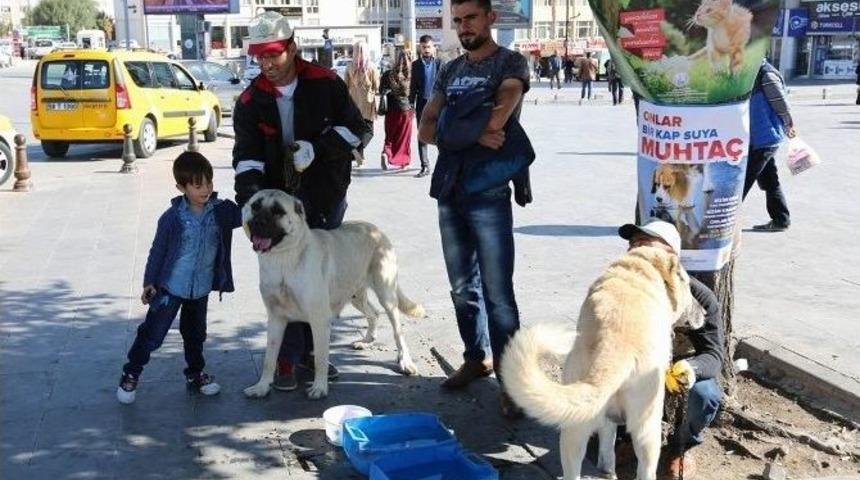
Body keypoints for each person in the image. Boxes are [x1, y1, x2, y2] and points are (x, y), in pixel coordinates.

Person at [232, 11, 372, 392]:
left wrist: (319, 148)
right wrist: (251, 203)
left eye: (273, 55)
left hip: (325, 193)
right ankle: (287, 361)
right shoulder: (249, 101)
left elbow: (359, 129)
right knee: (281, 279)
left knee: (315, 281)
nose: (266, 64)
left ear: (292, 48)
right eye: (258, 56)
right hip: (278, 207)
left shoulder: (326, 83)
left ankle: (315, 355)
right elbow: (246, 157)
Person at [418, 0, 532, 418]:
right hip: (450, 189)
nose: (463, 27)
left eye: (470, 18)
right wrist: (469, 128)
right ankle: (475, 356)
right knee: (462, 288)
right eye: (457, 21)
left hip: (489, 191)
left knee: (498, 294)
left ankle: (513, 379)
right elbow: (425, 127)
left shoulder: (511, 63)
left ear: (489, 18)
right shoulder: (450, 69)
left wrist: (456, 124)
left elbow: (498, 121)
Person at [116, 151, 243, 405]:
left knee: (195, 334)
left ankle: (195, 374)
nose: (205, 189)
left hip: (201, 289)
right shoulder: (173, 218)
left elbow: (249, 212)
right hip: (170, 288)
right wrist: (149, 282)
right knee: (153, 334)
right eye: (198, 185)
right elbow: (157, 251)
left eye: (208, 183)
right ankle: (131, 372)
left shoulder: (221, 212)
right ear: (181, 187)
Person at [618, 219, 723, 480]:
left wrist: (691, 368)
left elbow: (714, 355)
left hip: (677, 373)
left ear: (671, 256)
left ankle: (681, 446)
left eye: (647, 245)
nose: (637, 251)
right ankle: (629, 438)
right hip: (636, 368)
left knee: (704, 394)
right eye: (634, 245)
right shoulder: (619, 287)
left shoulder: (699, 296)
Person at [743, 59, 795, 232]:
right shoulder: (752, 72)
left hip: (765, 137)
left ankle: (721, 225)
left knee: (742, 181)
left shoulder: (766, 74)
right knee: (770, 179)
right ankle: (781, 219)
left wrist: (789, 124)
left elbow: (781, 103)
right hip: (759, 137)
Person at [409, 35, 442, 178]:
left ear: (433, 47)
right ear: (420, 48)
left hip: (438, 104)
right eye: (424, 47)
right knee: (422, 134)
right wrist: (410, 102)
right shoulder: (416, 65)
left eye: (429, 47)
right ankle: (425, 166)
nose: (426, 50)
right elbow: (413, 86)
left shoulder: (441, 63)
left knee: (441, 134)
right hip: (422, 104)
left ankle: (444, 164)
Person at [344, 40, 380, 166]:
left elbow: (345, 86)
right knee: (369, 132)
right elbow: (377, 86)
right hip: (367, 104)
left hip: (353, 104)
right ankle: (357, 148)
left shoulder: (349, 67)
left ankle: (360, 158)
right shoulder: (372, 67)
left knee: (357, 131)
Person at [380, 48, 415, 170]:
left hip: (391, 110)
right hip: (406, 110)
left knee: (390, 135)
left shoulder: (388, 74)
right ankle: (403, 161)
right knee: (404, 137)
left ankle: (386, 153)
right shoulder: (412, 74)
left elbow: (381, 91)